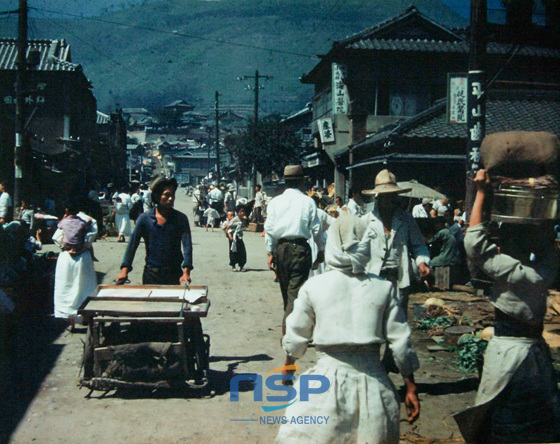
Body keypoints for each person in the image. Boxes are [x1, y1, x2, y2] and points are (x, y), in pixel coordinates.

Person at [276, 215, 420, 443]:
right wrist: (411, 387)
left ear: (332, 243)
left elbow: (296, 336)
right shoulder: (383, 288)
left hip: (325, 387)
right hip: (375, 388)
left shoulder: (314, 287)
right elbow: (401, 343)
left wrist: (288, 369)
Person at [454, 169, 560, 443]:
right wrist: (543, 221)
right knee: (538, 422)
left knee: (505, 421)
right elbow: (549, 245)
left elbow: (474, 243)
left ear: (507, 244)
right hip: (536, 357)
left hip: (507, 356)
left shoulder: (509, 270)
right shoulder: (544, 271)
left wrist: (480, 194)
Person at [362, 169, 430, 372]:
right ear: (377, 197)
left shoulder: (406, 219)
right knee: (372, 321)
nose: (389, 201)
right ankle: (371, 361)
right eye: (385, 197)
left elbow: (419, 245)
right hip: (373, 279)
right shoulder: (366, 221)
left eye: (393, 196)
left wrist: (422, 262)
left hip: (398, 277)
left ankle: (390, 361)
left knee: (397, 322)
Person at [264, 165, 324, 336]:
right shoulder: (307, 201)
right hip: (300, 250)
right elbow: (317, 228)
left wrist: (270, 252)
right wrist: (321, 249)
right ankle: (289, 333)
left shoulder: (275, 202)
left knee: (287, 293)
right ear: (301, 181)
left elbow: (269, 228)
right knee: (294, 294)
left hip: (281, 249)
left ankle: (290, 329)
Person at [116, 175, 193, 286]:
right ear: (157, 196)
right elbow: (132, 245)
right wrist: (124, 270)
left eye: (172, 195)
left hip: (173, 274)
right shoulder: (144, 219)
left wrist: (186, 272)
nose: (171, 198)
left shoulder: (181, 219)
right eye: (167, 195)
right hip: (151, 274)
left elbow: (187, 246)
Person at [53, 199, 98, 330]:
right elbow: (90, 238)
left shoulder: (64, 220)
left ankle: (71, 322)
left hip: (67, 256)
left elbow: (57, 238)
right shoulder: (89, 220)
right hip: (83, 256)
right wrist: (83, 247)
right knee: (85, 287)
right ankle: (85, 318)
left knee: (66, 288)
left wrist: (66, 245)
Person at [227, 205, 249, 272]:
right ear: (238, 212)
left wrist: (245, 219)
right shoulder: (234, 220)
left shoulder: (243, 219)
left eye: (243, 211)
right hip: (233, 237)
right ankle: (233, 266)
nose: (243, 213)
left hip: (239, 237)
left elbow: (246, 226)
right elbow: (228, 228)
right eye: (241, 211)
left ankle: (241, 266)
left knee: (242, 252)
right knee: (233, 252)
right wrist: (230, 236)